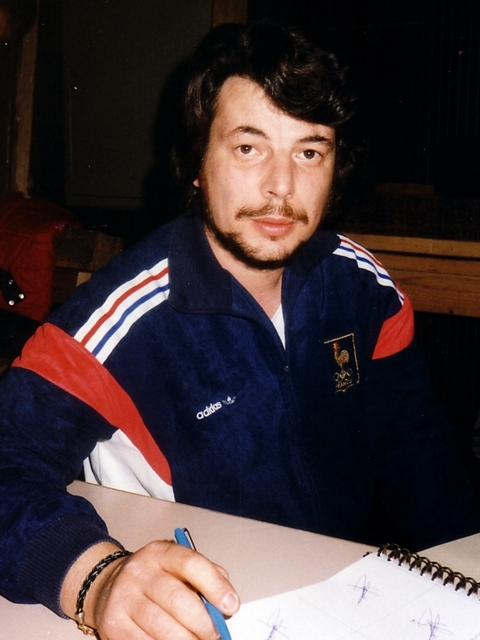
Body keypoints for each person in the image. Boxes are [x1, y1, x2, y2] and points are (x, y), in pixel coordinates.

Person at [0, 20, 479, 640]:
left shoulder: (367, 291)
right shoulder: (122, 316)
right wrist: (95, 579)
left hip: (345, 601)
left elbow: (420, 458)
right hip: (202, 618)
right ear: (197, 165)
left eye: (309, 151)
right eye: (249, 148)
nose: (281, 186)